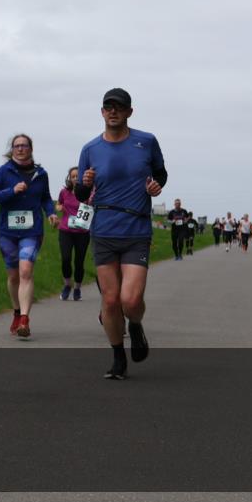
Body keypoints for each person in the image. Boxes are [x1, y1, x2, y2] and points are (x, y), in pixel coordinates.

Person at [75, 88, 167, 380]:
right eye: (108, 107)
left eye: (119, 107)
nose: (113, 111)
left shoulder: (146, 141)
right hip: (103, 230)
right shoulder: (90, 149)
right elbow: (80, 194)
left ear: (129, 112)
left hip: (136, 229)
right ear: (102, 112)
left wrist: (155, 186)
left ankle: (135, 325)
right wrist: (85, 183)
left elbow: (161, 174)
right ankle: (118, 358)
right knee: (111, 301)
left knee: (130, 300)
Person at [0, 135, 59, 338]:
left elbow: (45, 198)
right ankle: (17, 312)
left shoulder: (41, 174)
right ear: (12, 149)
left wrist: (51, 213)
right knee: (13, 276)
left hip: (32, 231)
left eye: (24, 146)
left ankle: (25, 319)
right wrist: (12, 190)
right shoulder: (4, 171)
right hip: (7, 232)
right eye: (16, 146)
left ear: (30, 149)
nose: (20, 149)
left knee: (25, 271)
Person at [55, 166, 92, 302]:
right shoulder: (64, 192)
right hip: (66, 230)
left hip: (82, 232)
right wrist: (60, 207)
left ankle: (77, 288)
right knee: (65, 259)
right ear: (69, 178)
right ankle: (67, 285)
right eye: (73, 176)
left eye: (78, 176)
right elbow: (58, 204)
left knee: (79, 262)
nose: (75, 178)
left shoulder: (89, 192)